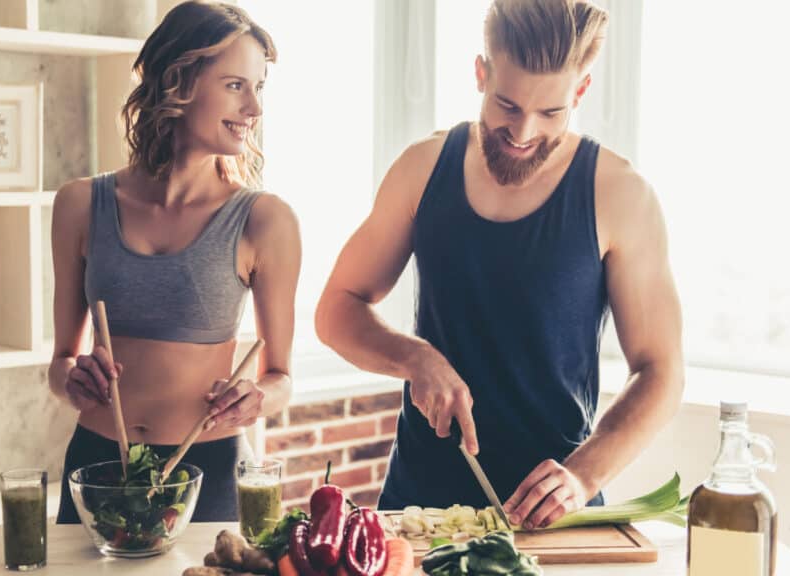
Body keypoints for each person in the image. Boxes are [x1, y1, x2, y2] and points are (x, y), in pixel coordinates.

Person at [315, 0, 684, 530]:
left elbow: (661, 370)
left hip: (551, 519)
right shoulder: (422, 167)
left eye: (550, 113)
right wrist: (414, 358)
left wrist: (583, 475)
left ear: (579, 91)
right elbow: (336, 308)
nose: (523, 131)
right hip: (418, 510)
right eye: (507, 105)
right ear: (480, 73)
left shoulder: (620, 194)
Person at [49, 0, 300, 523]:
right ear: (177, 82)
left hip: (207, 473)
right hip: (97, 468)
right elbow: (60, 365)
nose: (254, 108)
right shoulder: (79, 204)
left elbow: (280, 376)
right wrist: (73, 378)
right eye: (236, 85)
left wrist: (256, 399)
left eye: (259, 88)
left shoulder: (264, 220)